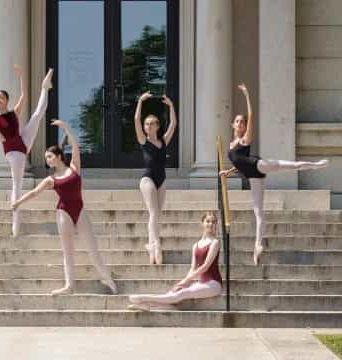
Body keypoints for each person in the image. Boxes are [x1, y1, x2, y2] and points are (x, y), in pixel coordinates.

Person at [220, 83, 329, 265]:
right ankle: (258, 245)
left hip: (260, 165)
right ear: (233, 124)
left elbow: (252, 116)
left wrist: (247, 94)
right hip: (253, 177)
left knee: (289, 166)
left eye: (243, 122)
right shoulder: (231, 145)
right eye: (238, 121)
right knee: (258, 211)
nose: (240, 123)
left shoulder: (245, 139)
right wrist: (228, 171)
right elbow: (240, 163)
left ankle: (314, 165)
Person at [12, 120, 117, 295]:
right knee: (67, 250)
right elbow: (34, 193)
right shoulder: (51, 179)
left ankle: (107, 278)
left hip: (80, 211)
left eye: (50, 156)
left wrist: (66, 128)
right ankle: (69, 285)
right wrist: (18, 202)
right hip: (63, 213)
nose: (48, 160)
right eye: (46, 158)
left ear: (59, 156)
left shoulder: (75, 167)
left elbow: (75, 148)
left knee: (92, 247)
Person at [0, 65, 53, 237]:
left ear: (6, 100)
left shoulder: (14, 113)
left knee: (37, 114)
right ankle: (15, 224)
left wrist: (21, 76)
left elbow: (24, 96)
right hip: (14, 153)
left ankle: (45, 87)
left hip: (23, 142)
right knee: (17, 185)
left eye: (1, 98)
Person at [128, 212, 222, 311]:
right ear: (202, 223)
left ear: (216, 224)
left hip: (213, 284)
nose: (210, 224)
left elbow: (205, 266)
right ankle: (146, 305)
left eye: (213, 222)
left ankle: (143, 298)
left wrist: (185, 281)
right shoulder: (196, 245)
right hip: (202, 283)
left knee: (182, 293)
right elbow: (193, 268)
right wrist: (183, 283)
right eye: (208, 221)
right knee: (174, 292)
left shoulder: (215, 242)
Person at [133, 92, 177, 264]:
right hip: (148, 179)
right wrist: (140, 102)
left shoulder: (164, 141)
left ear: (157, 126)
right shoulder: (144, 141)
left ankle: (152, 246)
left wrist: (171, 106)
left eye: (152, 124)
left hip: (162, 179)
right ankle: (155, 244)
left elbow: (173, 124)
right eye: (147, 124)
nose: (149, 126)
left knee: (157, 214)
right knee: (153, 212)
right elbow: (136, 120)